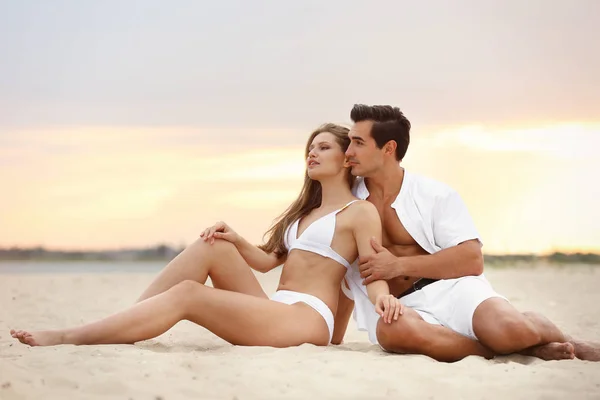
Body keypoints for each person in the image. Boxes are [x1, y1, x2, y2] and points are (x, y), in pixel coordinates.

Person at [10, 123, 404, 348]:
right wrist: (234, 237)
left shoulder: (359, 212)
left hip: (305, 319)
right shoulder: (306, 212)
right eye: (309, 149)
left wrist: (384, 301)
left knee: (188, 295)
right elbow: (269, 261)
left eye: (323, 147)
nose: (311, 155)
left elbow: (372, 272)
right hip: (277, 308)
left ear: (345, 159)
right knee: (210, 245)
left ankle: (70, 335)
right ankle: (123, 324)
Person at [334, 104, 600, 362]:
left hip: (454, 290)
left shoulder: (434, 194)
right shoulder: (346, 201)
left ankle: (565, 340)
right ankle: (522, 351)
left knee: (511, 331)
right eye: (349, 142)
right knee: (392, 332)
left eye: (358, 142)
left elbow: (472, 260)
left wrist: (397, 265)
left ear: (388, 148)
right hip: (403, 307)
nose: (348, 151)